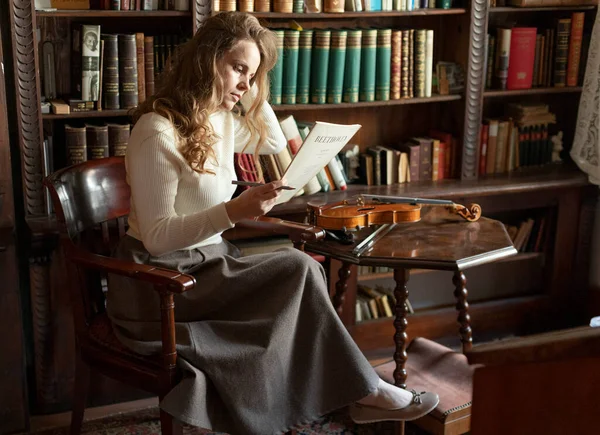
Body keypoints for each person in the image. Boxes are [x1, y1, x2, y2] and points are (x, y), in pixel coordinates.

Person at [106, 11, 439, 435]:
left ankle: (356, 394)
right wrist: (234, 212)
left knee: (303, 270)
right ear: (206, 61)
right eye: (237, 68)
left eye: (253, 74)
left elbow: (273, 141)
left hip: (209, 265)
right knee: (298, 268)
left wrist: (251, 84)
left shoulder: (219, 120)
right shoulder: (157, 130)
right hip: (161, 282)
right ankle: (365, 392)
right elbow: (156, 239)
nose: (244, 84)